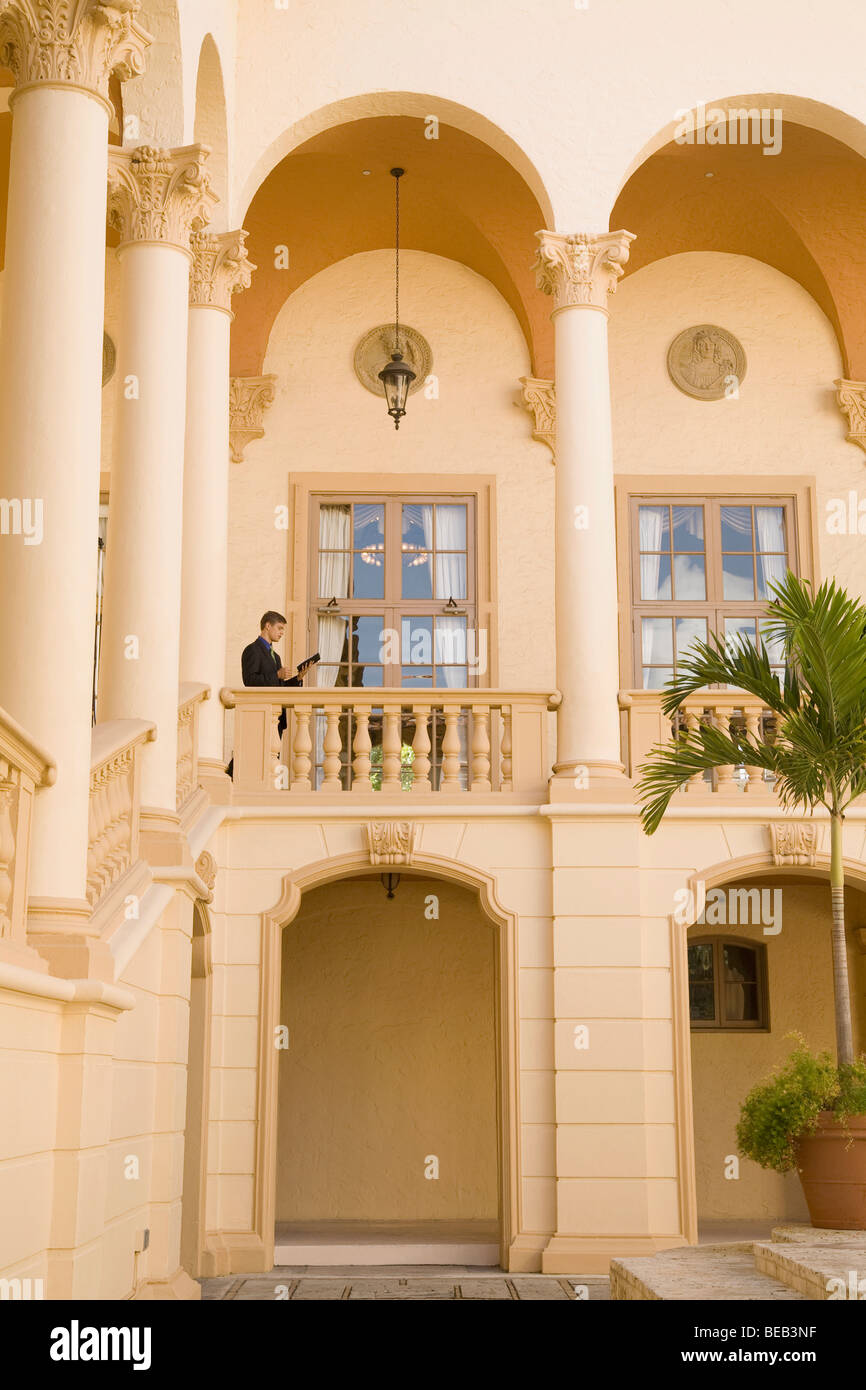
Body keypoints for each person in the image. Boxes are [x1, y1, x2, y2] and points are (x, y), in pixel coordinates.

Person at [226, 611, 306, 780]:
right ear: (267, 626)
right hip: (259, 712)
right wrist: (277, 674)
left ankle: (268, 788)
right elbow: (250, 680)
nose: (282, 633)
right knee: (250, 750)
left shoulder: (275, 656)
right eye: (279, 628)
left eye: (283, 629)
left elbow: (279, 687)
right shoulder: (252, 650)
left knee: (270, 757)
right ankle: (229, 777)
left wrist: (297, 679)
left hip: (276, 714)